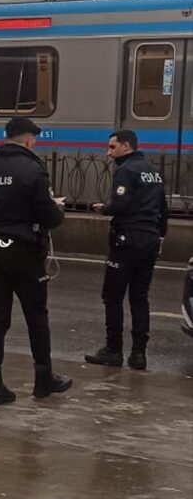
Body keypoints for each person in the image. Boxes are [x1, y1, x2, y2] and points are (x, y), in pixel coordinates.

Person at [0, 116, 72, 406]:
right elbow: (49, 216)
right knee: (37, 317)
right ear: (28, 140)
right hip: (26, 253)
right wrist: (58, 210)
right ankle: (43, 380)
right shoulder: (33, 171)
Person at [85, 129, 168, 371]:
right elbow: (163, 210)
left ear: (126, 146)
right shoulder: (154, 172)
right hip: (150, 241)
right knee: (140, 298)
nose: (108, 152)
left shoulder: (126, 171)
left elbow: (120, 206)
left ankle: (113, 350)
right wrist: (159, 236)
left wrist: (103, 208)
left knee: (112, 296)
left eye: (112, 147)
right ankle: (139, 354)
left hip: (127, 241)